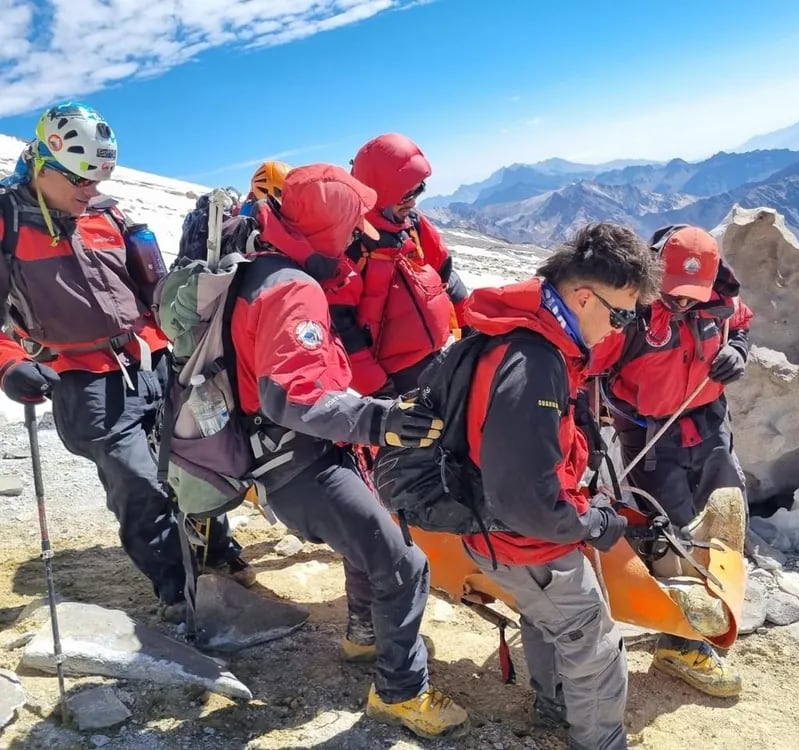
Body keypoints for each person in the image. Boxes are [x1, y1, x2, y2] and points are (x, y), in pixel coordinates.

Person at [227, 163, 469, 739]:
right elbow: (293, 396)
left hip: (291, 453)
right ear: (328, 227)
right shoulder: (293, 291)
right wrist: (381, 419)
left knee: (372, 540)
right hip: (300, 461)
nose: (360, 232)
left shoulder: (266, 269)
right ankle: (400, 694)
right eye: (351, 222)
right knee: (406, 566)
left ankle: (364, 636)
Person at [0, 102, 250, 620]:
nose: (91, 191)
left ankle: (213, 550)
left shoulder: (107, 215)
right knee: (137, 480)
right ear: (43, 163)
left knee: (195, 459)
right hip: (82, 377)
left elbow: (153, 288)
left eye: (99, 178)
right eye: (80, 180)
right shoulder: (7, 222)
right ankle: (177, 587)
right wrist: (7, 363)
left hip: (152, 360)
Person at [461, 223, 661, 750]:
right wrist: (591, 523)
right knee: (595, 642)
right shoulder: (536, 364)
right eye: (618, 315)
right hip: (526, 540)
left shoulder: (525, 337)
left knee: (549, 621)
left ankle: (554, 708)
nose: (619, 329)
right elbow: (526, 498)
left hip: (498, 532)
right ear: (581, 296)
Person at [590, 224, 753, 698]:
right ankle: (680, 642)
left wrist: (737, 351)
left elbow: (741, 322)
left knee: (722, 517)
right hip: (649, 435)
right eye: (673, 293)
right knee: (673, 535)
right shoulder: (629, 315)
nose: (682, 303)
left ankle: (707, 611)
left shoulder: (719, 303)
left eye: (691, 295)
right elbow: (588, 365)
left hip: (708, 422)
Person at [326, 133, 469, 397]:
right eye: (405, 195)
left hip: (445, 353)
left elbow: (446, 272)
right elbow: (342, 327)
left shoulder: (413, 224)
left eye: (418, 189)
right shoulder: (351, 246)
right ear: (378, 194)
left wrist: (470, 325)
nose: (413, 201)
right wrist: (378, 388)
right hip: (399, 381)